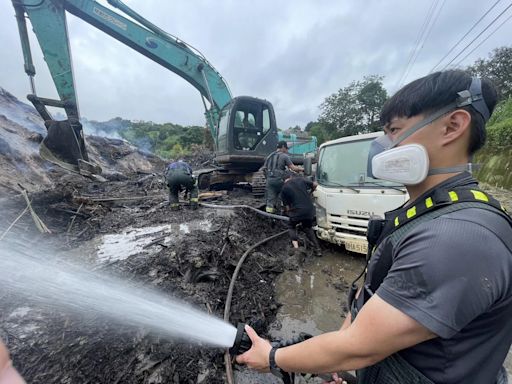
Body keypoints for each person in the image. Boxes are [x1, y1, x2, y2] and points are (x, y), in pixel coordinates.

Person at [236, 70, 512, 384]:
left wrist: (272, 358)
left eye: (395, 130)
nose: (382, 145)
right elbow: (370, 306)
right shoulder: (425, 212)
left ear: (452, 126)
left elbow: (359, 347)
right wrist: (337, 363)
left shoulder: (455, 237)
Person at [280, 174, 322, 257]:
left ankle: (296, 249)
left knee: (291, 226)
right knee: (308, 228)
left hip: (297, 211)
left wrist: (290, 215)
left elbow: (287, 208)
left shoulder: (284, 189)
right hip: (309, 210)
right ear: (291, 177)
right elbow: (315, 184)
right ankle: (318, 250)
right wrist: (311, 192)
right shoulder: (300, 179)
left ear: (283, 181)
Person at [262, 141, 303, 213]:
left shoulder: (269, 156)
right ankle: (285, 213)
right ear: (283, 147)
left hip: (270, 181)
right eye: (286, 149)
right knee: (285, 196)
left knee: (270, 200)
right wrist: (302, 169)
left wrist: (268, 178)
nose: (287, 151)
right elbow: (293, 168)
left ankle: (270, 216)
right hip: (279, 181)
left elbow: (264, 169)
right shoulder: (284, 156)